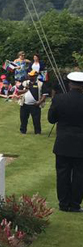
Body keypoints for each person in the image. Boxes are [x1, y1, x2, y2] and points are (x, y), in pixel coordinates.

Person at [48, 71, 83, 212]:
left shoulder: (59, 99)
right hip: (80, 143)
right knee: (79, 175)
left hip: (63, 142)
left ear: (69, 84)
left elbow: (51, 119)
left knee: (62, 174)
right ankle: (75, 204)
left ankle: (63, 204)